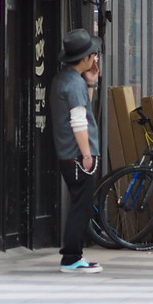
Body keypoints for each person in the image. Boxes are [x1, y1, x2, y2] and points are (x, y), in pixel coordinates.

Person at [49, 29, 104, 274]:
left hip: (67, 154)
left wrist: (90, 82)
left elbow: (81, 110)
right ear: (84, 58)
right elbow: (79, 121)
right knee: (80, 206)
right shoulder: (73, 83)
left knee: (79, 203)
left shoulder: (65, 79)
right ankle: (71, 256)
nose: (95, 59)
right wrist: (87, 154)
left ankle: (73, 256)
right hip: (77, 155)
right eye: (92, 55)